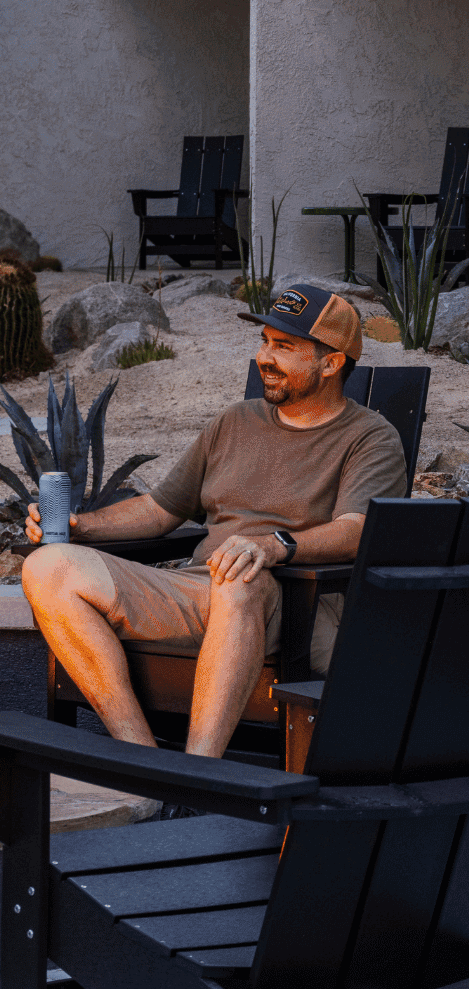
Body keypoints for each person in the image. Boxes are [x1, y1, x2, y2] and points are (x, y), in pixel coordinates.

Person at [22, 284, 406, 762]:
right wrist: (81, 527)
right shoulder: (235, 422)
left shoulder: (370, 437)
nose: (264, 356)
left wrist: (273, 547)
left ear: (330, 363)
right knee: (48, 567)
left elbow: (358, 528)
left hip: (296, 608)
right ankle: (142, 760)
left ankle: (201, 771)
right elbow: (161, 509)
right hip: (202, 591)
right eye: (265, 341)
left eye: (284, 347)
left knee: (239, 577)